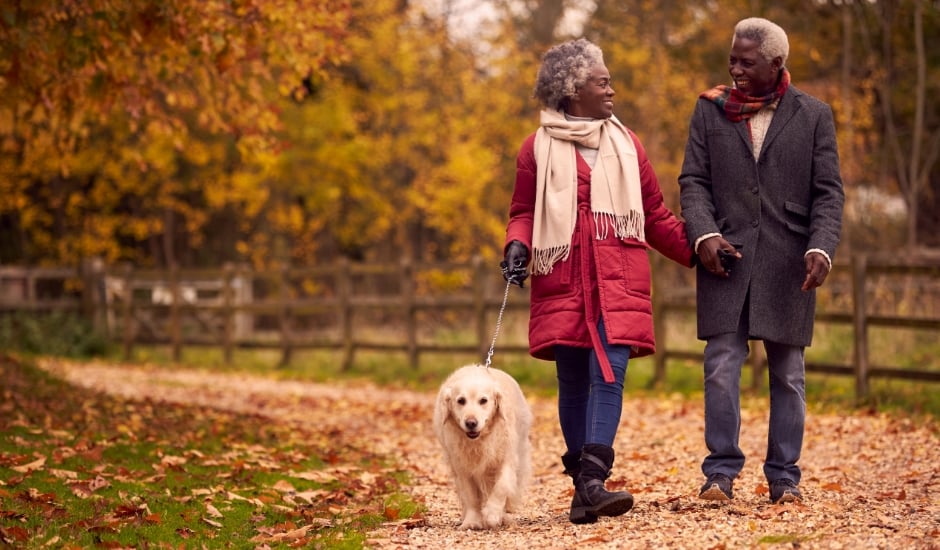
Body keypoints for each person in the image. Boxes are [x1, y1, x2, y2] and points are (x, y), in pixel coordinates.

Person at [501, 38, 693, 524]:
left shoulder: (627, 144)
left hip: (616, 280)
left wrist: (698, 251)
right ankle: (586, 491)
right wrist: (516, 245)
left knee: (610, 373)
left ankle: (592, 480)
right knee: (573, 380)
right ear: (571, 90)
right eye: (601, 81)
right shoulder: (536, 149)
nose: (611, 89)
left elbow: (652, 215)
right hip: (562, 277)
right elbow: (523, 211)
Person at [678, 17, 845, 505]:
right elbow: (692, 181)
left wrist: (821, 248)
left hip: (789, 263)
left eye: (746, 61)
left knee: (789, 374)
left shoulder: (814, 115)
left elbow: (829, 193)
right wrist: (703, 233)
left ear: (776, 63)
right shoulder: (709, 110)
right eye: (732, 58)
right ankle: (720, 474)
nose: (734, 69)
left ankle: (784, 477)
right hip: (724, 257)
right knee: (720, 365)